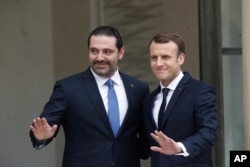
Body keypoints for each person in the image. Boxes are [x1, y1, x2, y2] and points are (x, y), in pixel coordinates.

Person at [29, 26, 150, 167]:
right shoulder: (68, 88)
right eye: (94, 51)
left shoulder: (138, 88)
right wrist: (40, 137)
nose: (99, 57)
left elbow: (145, 135)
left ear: (121, 52)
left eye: (107, 52)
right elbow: (45, 125)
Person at [143, 32, 218, 167]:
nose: (158, 63)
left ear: (180, 59)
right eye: (154, 57)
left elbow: (209, 133)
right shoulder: (150, 99)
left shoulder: (200, 91)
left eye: (165, 57)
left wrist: (179, 147)